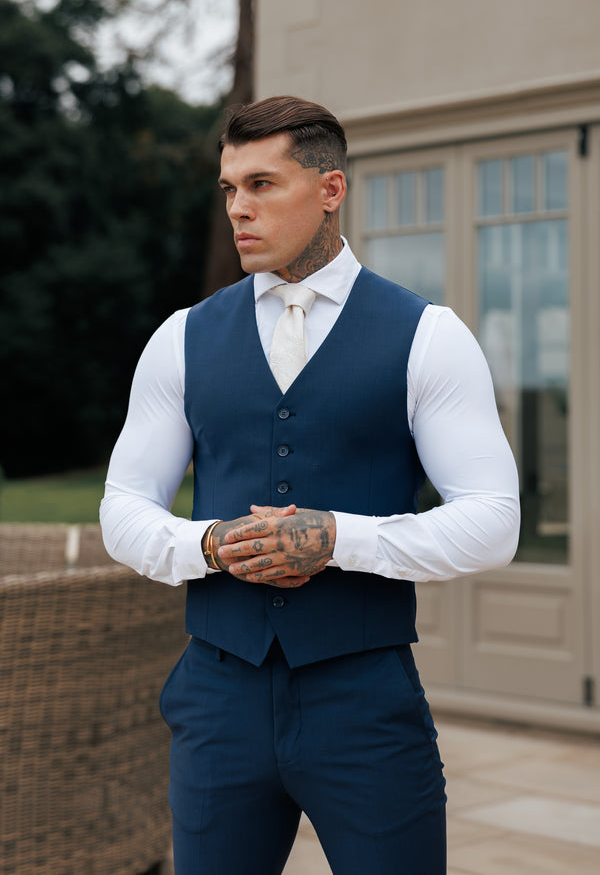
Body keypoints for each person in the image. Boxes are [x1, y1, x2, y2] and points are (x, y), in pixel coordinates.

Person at [100, 95, 520, 875]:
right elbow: (122, 507)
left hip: (365, 703)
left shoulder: (428, 336)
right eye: (229, 188)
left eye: (262, 184)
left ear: (331, 190)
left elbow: (494, 520)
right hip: (217, 698)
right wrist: (209, 545)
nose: (238, 208)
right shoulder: (181, 338)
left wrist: (337, 539)